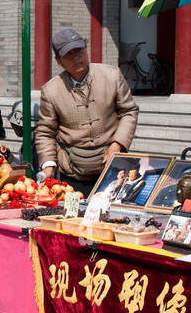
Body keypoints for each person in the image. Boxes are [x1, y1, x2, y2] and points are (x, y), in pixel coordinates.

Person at [36, 27, 139, 196]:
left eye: (80, 50)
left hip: (114, 168)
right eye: (69, 54)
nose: (76, 57)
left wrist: (117, 144)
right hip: (73, 172)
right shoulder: (51, 90)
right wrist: (48, 164)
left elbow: (129, 111)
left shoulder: (112, 76)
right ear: (58, 61)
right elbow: (45, 132)